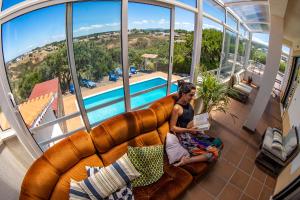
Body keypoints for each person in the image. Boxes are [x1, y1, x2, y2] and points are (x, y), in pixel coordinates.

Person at [169, 80, 223, 167]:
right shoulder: (177, 108)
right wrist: (188, 130)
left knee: (218, 142)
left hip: (193, 131)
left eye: (193, 95)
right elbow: (173, 128)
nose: (193, 97)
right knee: (211, 154)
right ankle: (186, 161)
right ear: (183, 94)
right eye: (191, 95)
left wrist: (200, 125)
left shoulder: (190, 102)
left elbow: (190, 117)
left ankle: (203, 148)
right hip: (186, 137)